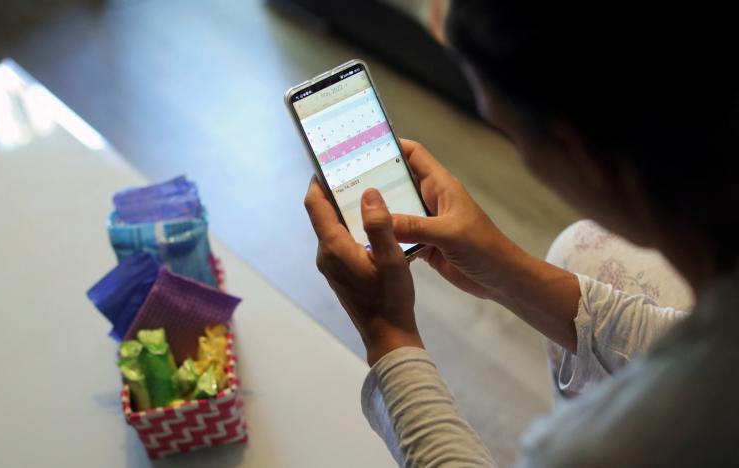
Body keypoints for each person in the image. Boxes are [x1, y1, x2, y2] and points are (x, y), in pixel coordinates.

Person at [303, 1, 738, 466]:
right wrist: (505, 269)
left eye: (510, 131)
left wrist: (388, 336)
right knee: (580, 252)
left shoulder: (613, 447)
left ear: (582, 155)